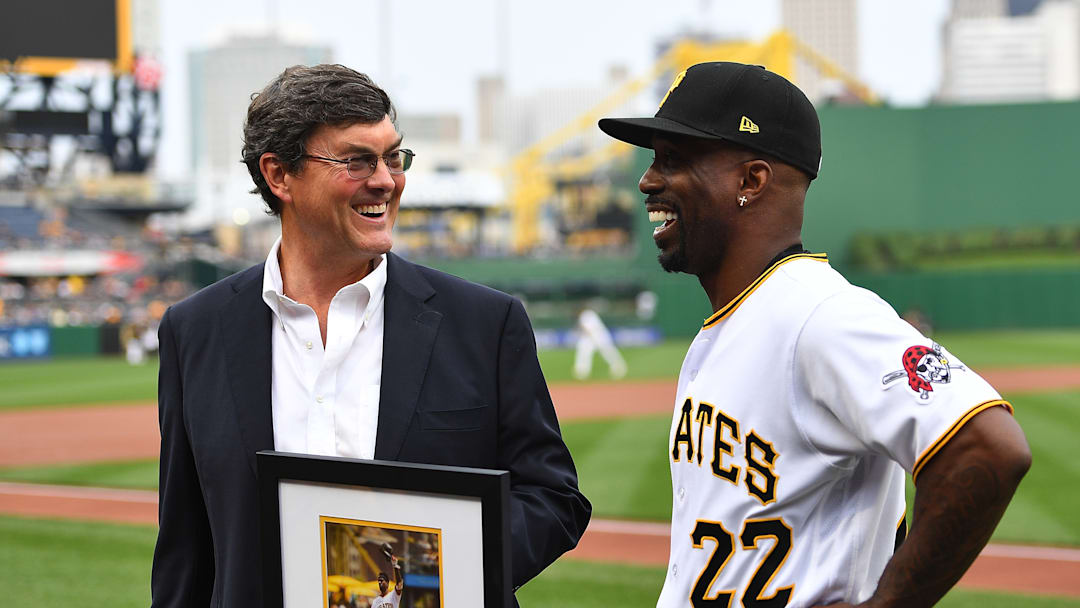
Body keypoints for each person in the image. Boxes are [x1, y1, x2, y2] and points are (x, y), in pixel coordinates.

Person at [150, 64, 590, 607]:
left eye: (393, 157)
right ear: (279, 175)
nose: (386, 180)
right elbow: (185, 550)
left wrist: (425, 570)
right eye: (357, 160)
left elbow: (552, 497)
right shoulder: (195, 330)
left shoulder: (485, 323)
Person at [598, 61, 1030, 608]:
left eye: (675, 159)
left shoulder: (819, 314)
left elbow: (989, 447)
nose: (649, 180)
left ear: (751, 181)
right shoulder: (737, 323)